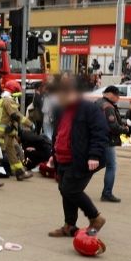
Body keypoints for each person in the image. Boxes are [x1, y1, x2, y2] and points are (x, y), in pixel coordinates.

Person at [46, 80, 109, 237]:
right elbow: (59, 134)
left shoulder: (89, 109)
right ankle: (70, 225)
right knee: (64, 190)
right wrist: (54, 154)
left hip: (81, 159)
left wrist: (94, 155)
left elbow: (100, 132)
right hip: (62, 158)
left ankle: (95, 217)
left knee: (71, 189)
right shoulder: (61, 110)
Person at [97, 85, 125, 202]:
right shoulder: (108, 107)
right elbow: (113, 127)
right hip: (107, 139)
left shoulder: (98, 102)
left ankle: (76, 182)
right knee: (111, 166)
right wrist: (124, 129)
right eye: (116, 95)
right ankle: (107, 193)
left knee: (100, 163)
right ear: (109, 94)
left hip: (98, 138)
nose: (118, 98)